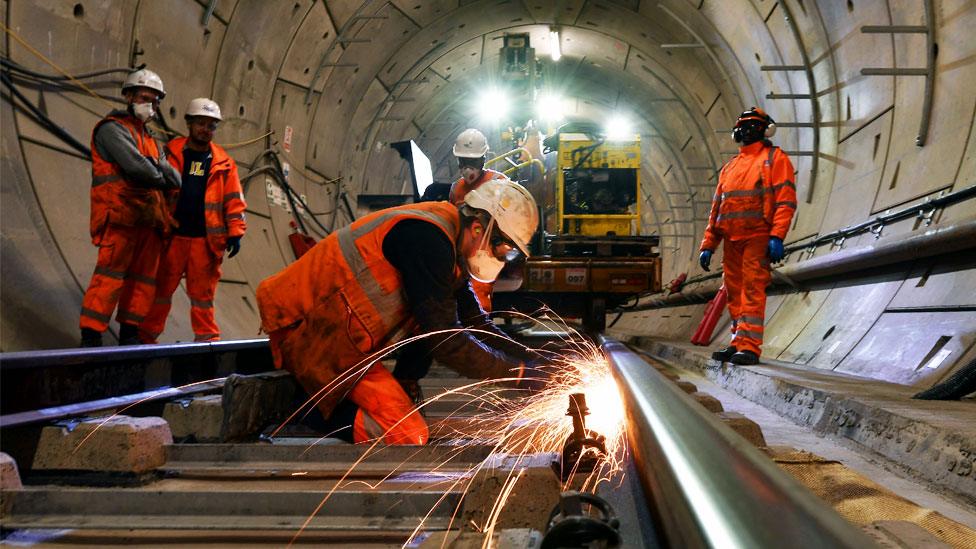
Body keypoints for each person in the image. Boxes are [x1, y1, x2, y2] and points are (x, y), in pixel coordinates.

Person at [256, 179, 543, 445]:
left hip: (343, 339)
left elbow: (474, 322)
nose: (504, 256)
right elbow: (445, 339)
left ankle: (319, 399)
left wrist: (536, 360)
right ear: (480, 228)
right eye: (504, 247)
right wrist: (518, 373)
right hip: (308, 330)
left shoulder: (447, 241)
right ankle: (297, 409)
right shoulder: (428, 240)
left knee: (406, 410)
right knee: (408, 433)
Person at [392, 128, 515, 402]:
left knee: (474, 323)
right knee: (446, 327)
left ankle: (490, 362)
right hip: (461, 262)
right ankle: (481, 362)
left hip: (483, 259)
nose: (467, 168)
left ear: (484, 159)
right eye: (463, 162)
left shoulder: (499, 183)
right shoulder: (456, 189)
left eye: (472, 162)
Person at [79, 69, 181, 347]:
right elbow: (139, 170)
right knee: (109, 277)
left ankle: (130, 335)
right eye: (145, 97)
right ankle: (91, 336)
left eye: (155, 100)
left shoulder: (149, 138)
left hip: (148, 221)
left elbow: (177, 178)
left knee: (142, 281)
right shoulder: (112, 129)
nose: (151, 105)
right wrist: (159, 170)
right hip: (121, 216)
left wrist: (158, 169)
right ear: (129, 96)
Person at [138, 98, 246, 343]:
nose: (205, 130)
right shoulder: (171, 152)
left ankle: (207, 343)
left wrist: (236, 231)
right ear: (189, 123)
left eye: (210, 126)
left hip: (205, 243)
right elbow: (156, 190)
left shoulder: (224, 164)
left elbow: (234, 200)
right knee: (160, 292)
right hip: (172, 237)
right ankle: (146, 338)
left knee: (203, 298)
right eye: (200, 123)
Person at [698, 107, 797, 365]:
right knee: (735, 292)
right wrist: (709, 243)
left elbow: (785, 201)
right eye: (744, 125)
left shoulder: (775, 159)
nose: (747, 129)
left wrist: (776, 235)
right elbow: (718, 208)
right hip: (731, 240)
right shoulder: (730, 168)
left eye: (753, 125)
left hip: (757, 236)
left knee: (753, 290)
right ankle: (737, 341)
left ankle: (750, 347)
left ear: (765, 129)